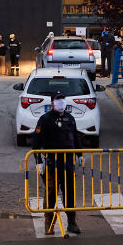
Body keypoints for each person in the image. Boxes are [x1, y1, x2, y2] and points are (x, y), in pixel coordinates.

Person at [32, 91, 82, 235]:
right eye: (58, 100)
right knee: (51, 193)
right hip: (51, 164)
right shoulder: (45, 119)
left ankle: (72, 223)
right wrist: (38, 161)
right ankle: (49, 223)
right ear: (52, 102)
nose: (61, 103)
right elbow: (36, 142)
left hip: (67, 163)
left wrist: (79, 154)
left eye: (63, 100)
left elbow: (76, 137)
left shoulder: (70, 118)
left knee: (69, 193)